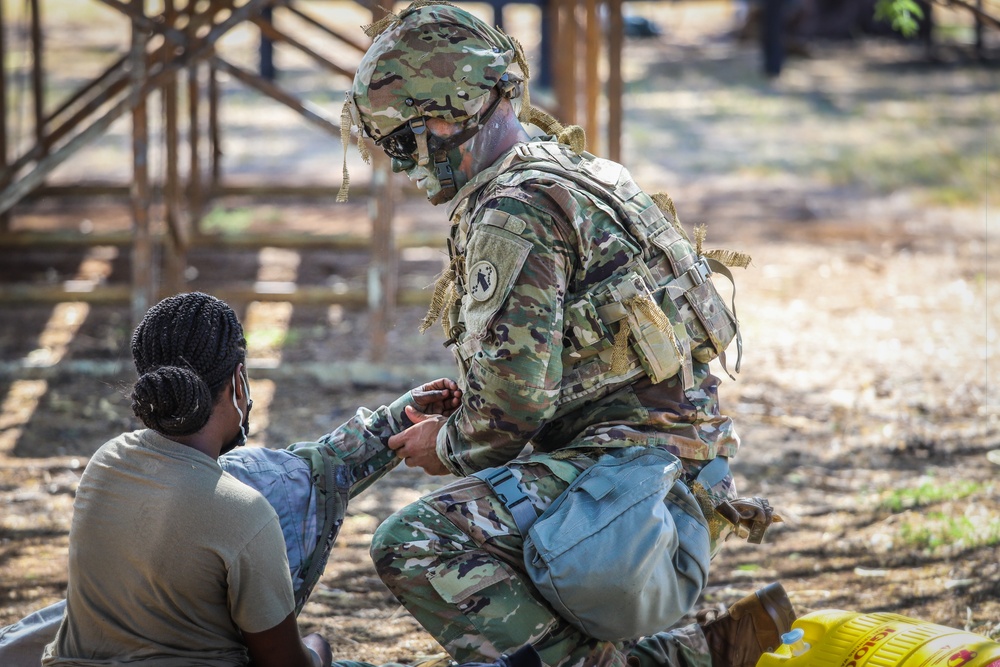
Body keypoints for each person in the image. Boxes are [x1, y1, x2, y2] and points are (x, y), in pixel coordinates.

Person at [339, 3, 796, 667]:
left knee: (417, 541)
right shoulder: (572, 169)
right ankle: (693, 649)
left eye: (403, 141)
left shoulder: (511, 210)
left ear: (445, 115)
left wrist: (443, 441)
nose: (406, 165)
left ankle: (676, 658)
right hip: (676, 473)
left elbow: (509, 411)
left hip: (635, 493)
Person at [26, 292, 539, 667]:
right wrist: (319, 647)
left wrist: (391, 420)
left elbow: (303, 470)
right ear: (240, 382)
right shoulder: (242, 512)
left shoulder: (105, 464)